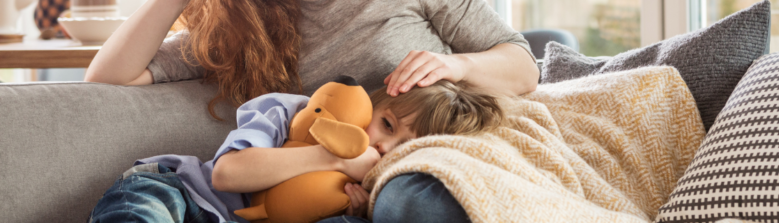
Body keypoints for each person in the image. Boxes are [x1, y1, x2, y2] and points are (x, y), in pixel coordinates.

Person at [84, 0, 536, 222]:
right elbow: (109, 78)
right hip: (220, 193)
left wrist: (455, 65)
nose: (378, 142)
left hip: (409, 178)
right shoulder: (244, 28)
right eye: (384, 125)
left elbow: (523, 68)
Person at [90, 80, 505, 223]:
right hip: (183, 192)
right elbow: (226, 175)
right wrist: (333, 157)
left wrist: (353, 210)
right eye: (387, 125)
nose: (381, 146)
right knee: (144, 212)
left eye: (401, 149)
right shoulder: (295, 112)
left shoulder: (375, 182)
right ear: (373, 102)